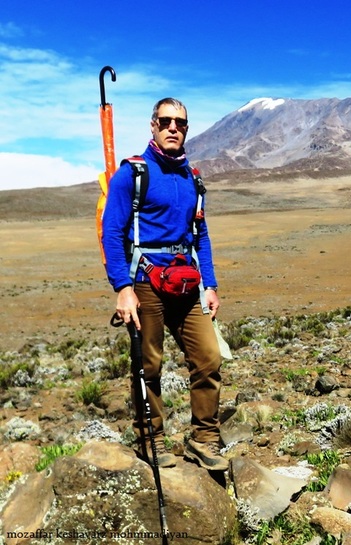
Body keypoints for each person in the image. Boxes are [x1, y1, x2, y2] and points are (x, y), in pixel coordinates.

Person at [102, 97, 228, 471]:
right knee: (149, 365)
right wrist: (122, 287)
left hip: (187, 282)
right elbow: (112, 232)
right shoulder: (133, 174)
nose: (174, 127)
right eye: (166, 121)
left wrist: (210, 284)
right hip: (146, 282)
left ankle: (204, 440)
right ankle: (150, 438)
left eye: (181, 123)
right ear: (152, 125)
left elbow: (200, 235)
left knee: (209, 357)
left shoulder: (193, 178)